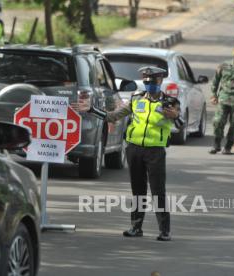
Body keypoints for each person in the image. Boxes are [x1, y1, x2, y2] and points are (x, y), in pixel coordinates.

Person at [73, 66, 181, 241]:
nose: (149, 84)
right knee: (138, 191)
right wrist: (91, 109)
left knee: (157, 191)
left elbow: (181, 123)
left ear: (160, 81)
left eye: (152, 81)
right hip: (134, 149)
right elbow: (112, 117)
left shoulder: (169, 102)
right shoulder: (136, 99)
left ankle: (165, 230)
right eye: (146, 81)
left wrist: (175, 116)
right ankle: (136, 227)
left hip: (155, 151)